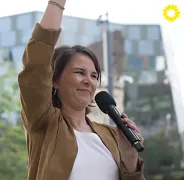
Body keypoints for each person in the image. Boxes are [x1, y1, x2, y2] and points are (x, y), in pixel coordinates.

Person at [17, 0, 145, 180]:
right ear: (55, 80)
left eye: (94, 76)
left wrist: (130, 158)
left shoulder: (111, 135)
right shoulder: (45, 123)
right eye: (79, 73)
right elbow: (35, 64)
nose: (88, 81)